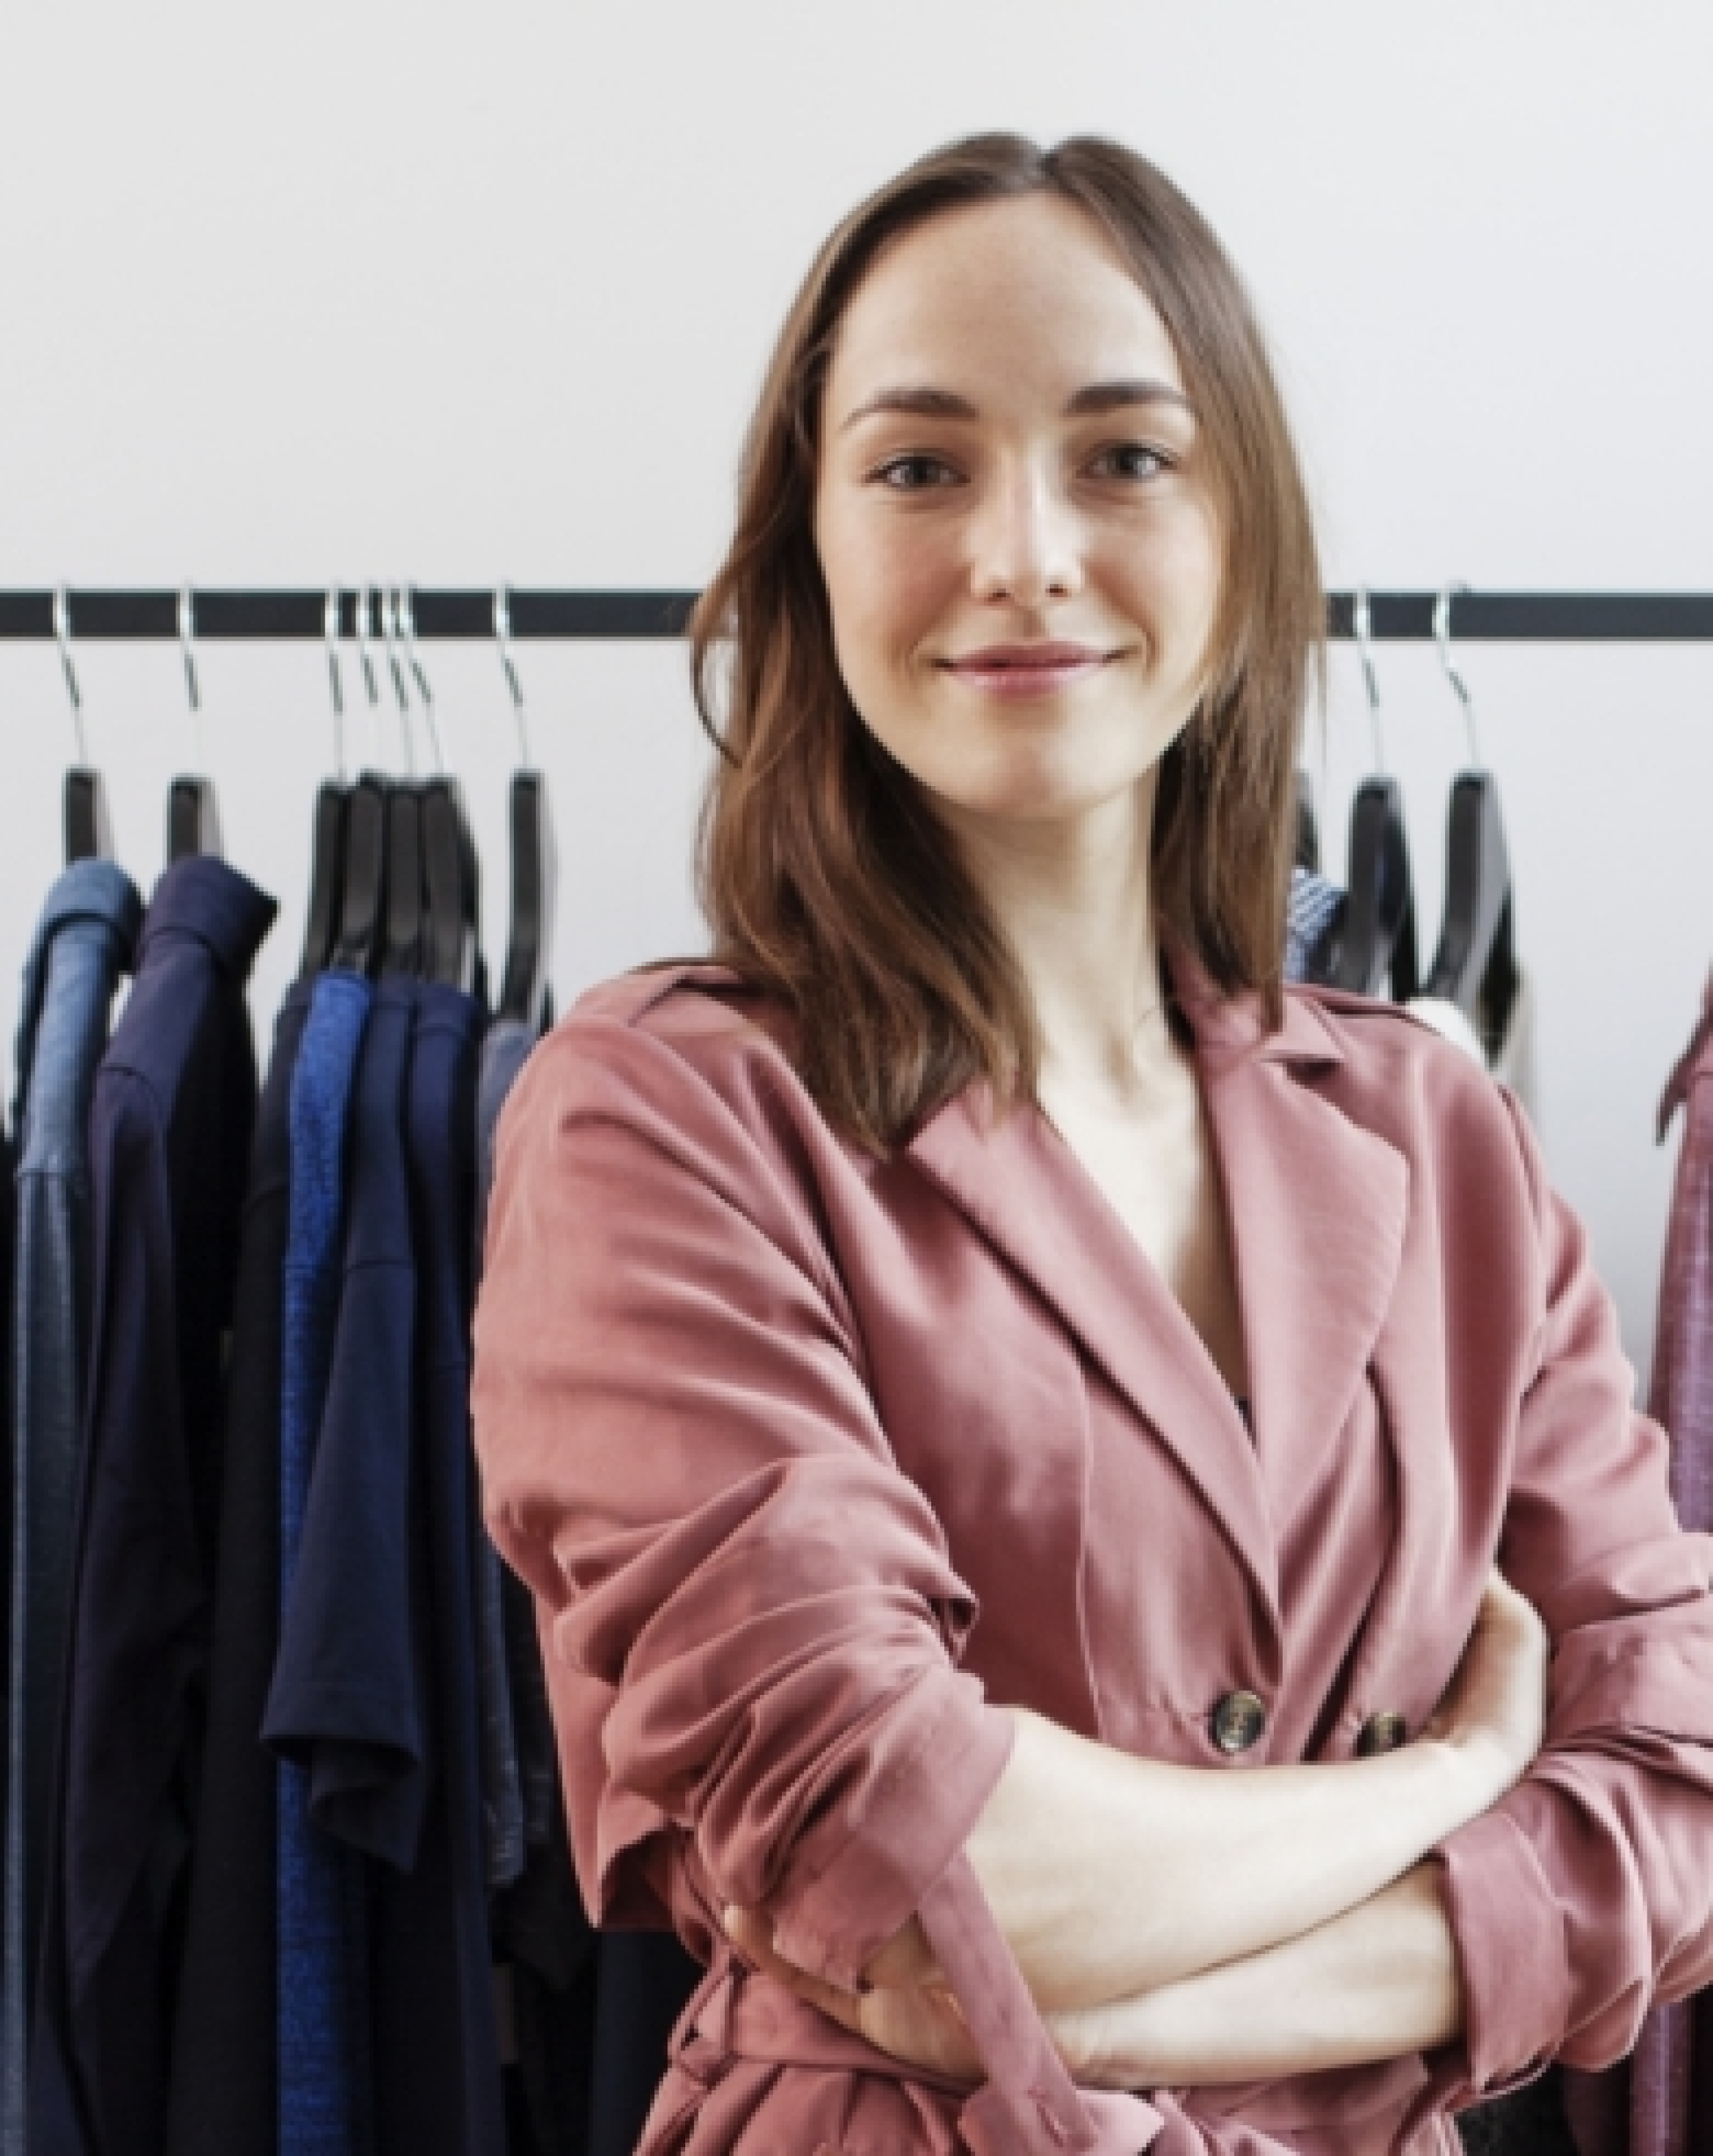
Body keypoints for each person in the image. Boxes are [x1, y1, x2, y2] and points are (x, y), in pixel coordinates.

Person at [470, 134, 1713, 2156]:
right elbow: (896, 1851)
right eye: (919, 466)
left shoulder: (1436, 1123)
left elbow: (1677, 1781)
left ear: (1242, 535)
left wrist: (1082, 1950)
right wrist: (1455, 1774)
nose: (1025, 550)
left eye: (1123, 456)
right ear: (809, 548)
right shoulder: (663, 1109)